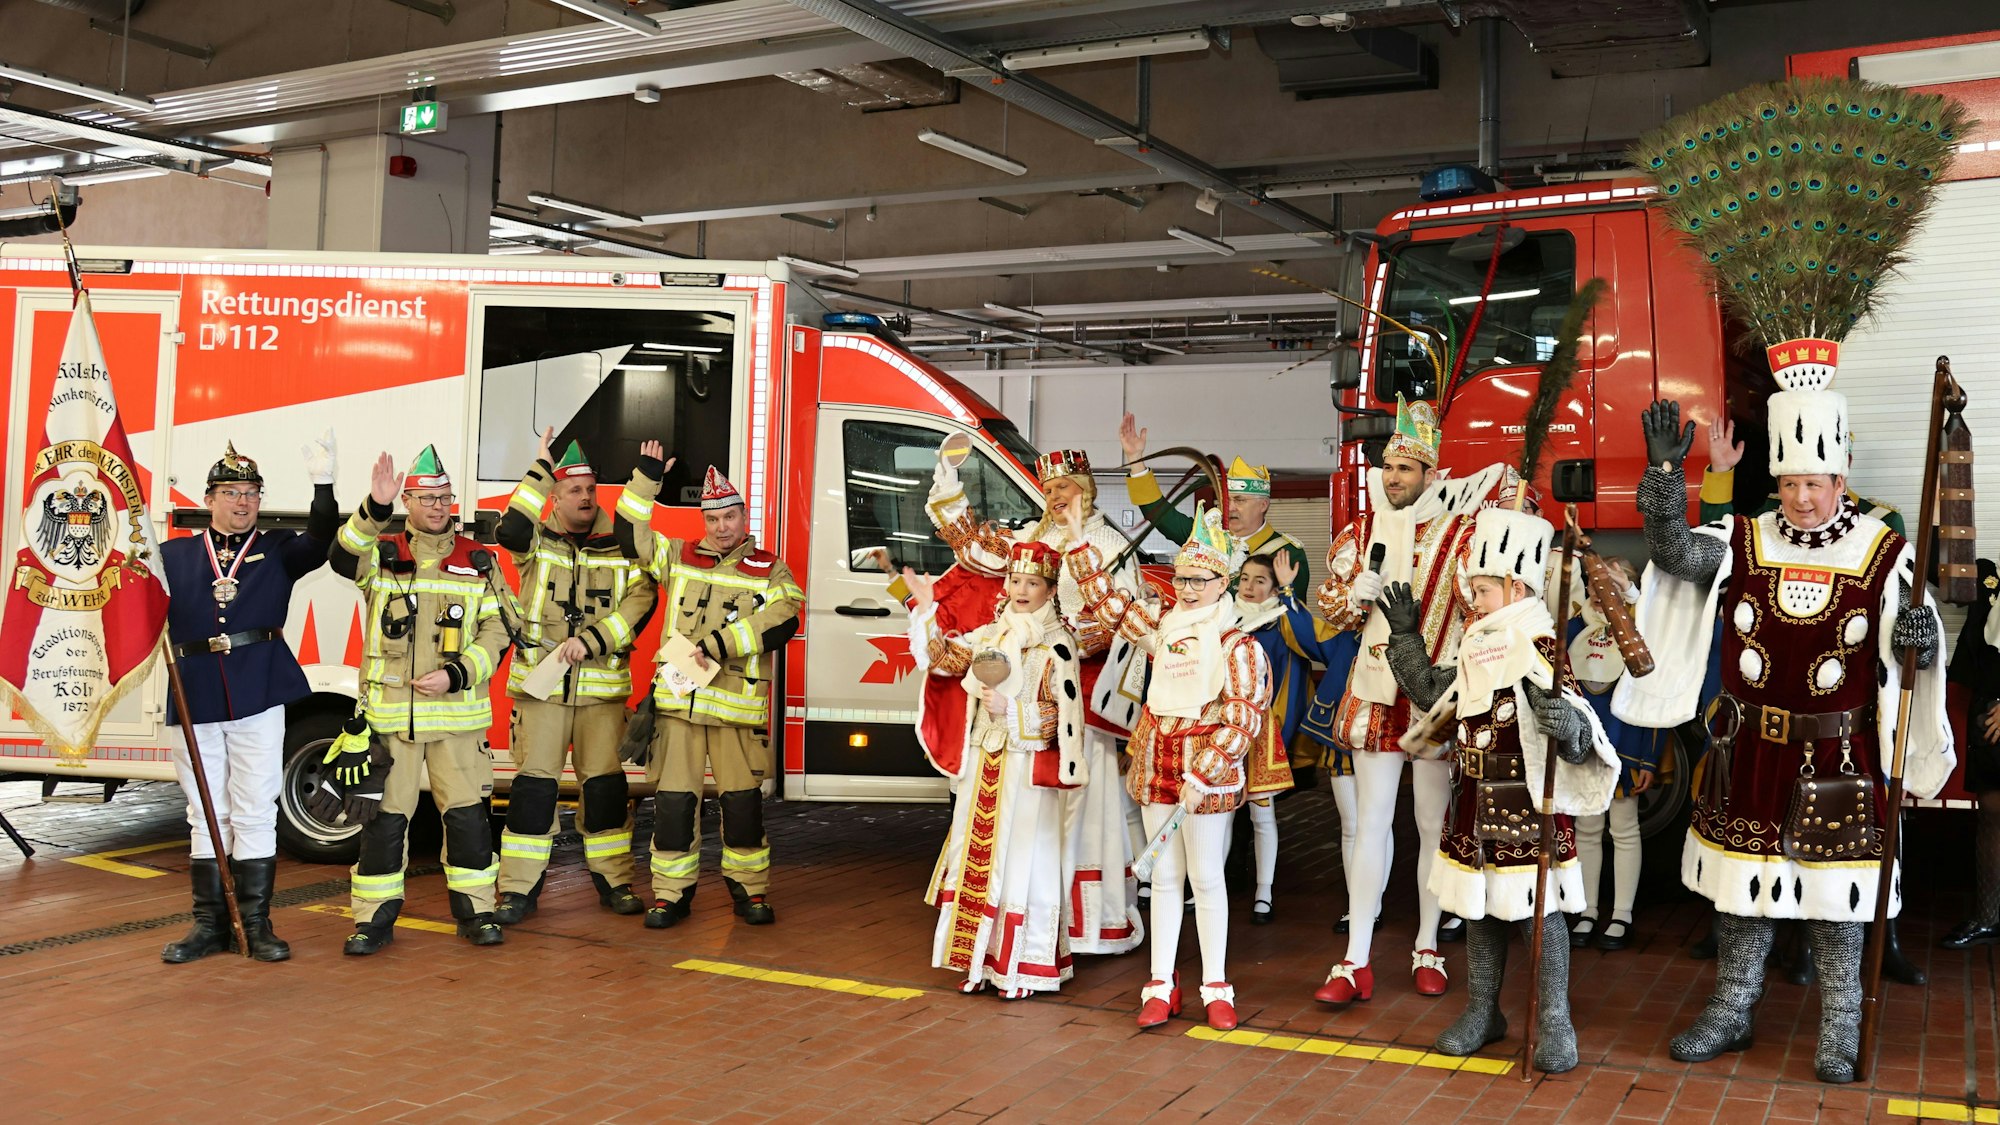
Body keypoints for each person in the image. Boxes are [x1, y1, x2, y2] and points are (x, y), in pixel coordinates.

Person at [1622, 394, 1949, 1083]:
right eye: (1792, 483)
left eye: (1816, 482)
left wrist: (1918, 639)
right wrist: (1661, 479)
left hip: (1841, 755)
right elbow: (1674, 553)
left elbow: (1908, 648)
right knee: (1741, 889)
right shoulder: (1743, 538)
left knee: (1837, 901)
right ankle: (1733, 1008)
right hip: (1752, 752)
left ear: (1843, 477)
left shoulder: (1885, 551)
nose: (1803, 498)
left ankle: (1841, 1023)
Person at [1383, 505, 1619, 1073]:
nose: (1474, 600)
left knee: (1542, 915)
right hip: (1472, 799)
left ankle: (1555, 1017)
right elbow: (1434, 694)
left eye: (1483, 589)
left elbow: (1575, 715)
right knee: (1480, 909)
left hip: (1527, 802)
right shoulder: (1478, 640)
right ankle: (1483, 1011)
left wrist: (1571, 727)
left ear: (1517, 586)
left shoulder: (1535, 641)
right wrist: (1406, 636)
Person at [1314, 395, 1505, 1002]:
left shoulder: (1465, 532)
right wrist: (1352, 598)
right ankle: (1355, 959)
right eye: (1388, 467)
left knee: (1432, 824)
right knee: (1368, 824)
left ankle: (1428, 945)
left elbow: (1485, 603)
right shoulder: (1360, 530)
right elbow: (1331, 617)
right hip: (1374, 691)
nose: (1394, 478)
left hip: (1437, 693)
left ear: (1431, 474)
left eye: (1406, 469)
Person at [928, 446, 1145, 956]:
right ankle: (1022, 924)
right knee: (1022, 815)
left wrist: (1060, 641)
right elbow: (976, 550)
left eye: (1063, 487)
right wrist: (949, 478)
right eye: (1047, 489)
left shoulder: (1110, 542)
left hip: (1081, 691)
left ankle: (1085, 925)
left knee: (1082, 809)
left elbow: (1123, 619)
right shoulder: (1033, 537)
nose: (1053, 497)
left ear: (1085, 489)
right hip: (1023, 682)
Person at [1064, 502, 1271, 1031]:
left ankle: (1216, 986)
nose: (1187, 588)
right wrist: (1078, 542)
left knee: (1206, 879)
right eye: (1181, 577)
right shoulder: (1163, 625)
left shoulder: (1238, 644)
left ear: (1221, 582)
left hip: (1207, 773)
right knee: (1164, 878)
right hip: (1158, 764)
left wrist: (1207, 772)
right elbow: (1110, 607)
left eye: (1200, 579)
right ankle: (1160, 984)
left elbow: (1245, 714)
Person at [157, 436, 337, 964]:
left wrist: (324, 486)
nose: (242, 502)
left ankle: (254, 924)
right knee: (205, 811)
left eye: (252, 493)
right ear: (208, 498)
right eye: (231, 492)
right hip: (194, 691)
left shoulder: (280, 550)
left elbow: (323, 536)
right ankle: (210, 924)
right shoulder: (173, 554)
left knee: (255, 809)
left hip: (259, 687)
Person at [330, 446, 511, 953]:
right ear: (407, 500)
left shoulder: (479, 559)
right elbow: (341, 555)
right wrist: (374, 505)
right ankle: (373, 921)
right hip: (390, 723)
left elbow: (502, 629)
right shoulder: (382, 554)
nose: (438, 505)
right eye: (427, 497)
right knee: (384, 823)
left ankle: (477, 913)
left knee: (470, 821)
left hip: (457, 720)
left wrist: (457, 673)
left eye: (445, 497)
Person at [616, 446, 802, 928]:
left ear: (745, 516)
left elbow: (784, 619)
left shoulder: (771, 569)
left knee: (743, 809)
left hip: (736, 715)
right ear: (704, 520)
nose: (722, 527)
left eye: (731, 516)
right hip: (678, 708)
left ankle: (750, 892)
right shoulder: (677, 556)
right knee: (675, 806)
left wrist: (717, 644)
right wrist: (647, 479)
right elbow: (630, 536)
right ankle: (670, 895)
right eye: (713, 518)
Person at [905, 541, 1084, 996]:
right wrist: (928, 613)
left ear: (1049, 590)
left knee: (1022, 863)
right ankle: (976, 961)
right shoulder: (989, 635)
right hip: (983, 760)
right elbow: (947, 660)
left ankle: (1020, 968)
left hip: (1025, 770)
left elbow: (1063, 718)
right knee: (975, 859)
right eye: (1016, 580)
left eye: (1033, 582)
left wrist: (1013, 711)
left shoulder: (1057, 645)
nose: (1021, 589)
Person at [492, 432, 656, 924]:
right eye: (574, 490)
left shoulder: (622, 543)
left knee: (605, 793)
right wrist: (539, 471)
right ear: (556, 497)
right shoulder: (535, 540)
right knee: (532, 792)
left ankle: (616, 881)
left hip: (601, 695)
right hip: (542, 693)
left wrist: (596, 640)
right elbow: (510, 530)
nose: (585, 498)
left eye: (591, 489)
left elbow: (640, 601)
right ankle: (518, 891)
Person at [1563, 557, 1664, 952]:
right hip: (1586, 744)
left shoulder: (1639, 629)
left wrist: (1648, 759)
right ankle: (1588, 910)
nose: (1599, 593)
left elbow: (1654, 697)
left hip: (1626, 745)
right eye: (1594, 585)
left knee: (1623, 829)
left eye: (1610, 585)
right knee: (1586, 830)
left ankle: (1622, 914)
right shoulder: (1575, 625)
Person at [1120, 414, 1311, 602]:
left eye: (1240, 500)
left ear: (1263, 505)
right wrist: (1135, 458)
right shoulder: (1207, 537)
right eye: (1227, 500)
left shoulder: (1287, 552)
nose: (1231, 507)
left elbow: (1294, 617)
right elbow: (1162, 516)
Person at [1228, 554, 1303, 923]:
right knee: (1219, 815)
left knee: (1262, 816)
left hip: (1261, 734)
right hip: (1223, 730)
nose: (1250, 587)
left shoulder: (1280, 626)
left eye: (1261, 581)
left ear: (1275, 589)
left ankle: (1264, 892)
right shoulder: (1224, 621)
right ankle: (1206, 885)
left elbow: (1288, 689)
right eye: (1245, 578)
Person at [1943, 558, 2000, 950]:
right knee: (1992, 813)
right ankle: (1988, 916)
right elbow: (1939, 572)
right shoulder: (1991, 579)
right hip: (1990, 713)